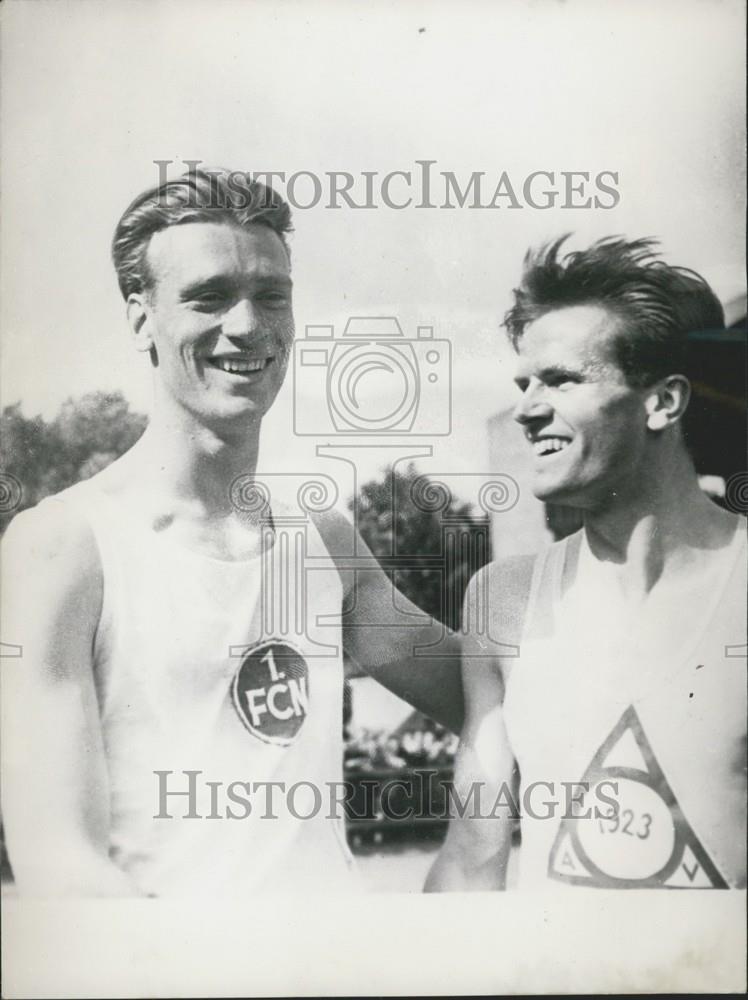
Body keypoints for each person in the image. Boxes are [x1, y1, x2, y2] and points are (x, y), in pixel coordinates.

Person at [1, 168, 463, 897]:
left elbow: (491, 692)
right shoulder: (62, 546)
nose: (247, 325)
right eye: (209, 297)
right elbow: (59, 858)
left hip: (336, 967)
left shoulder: (322, 537)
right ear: (140, 318)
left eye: (271, 295)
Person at [426, 236, 746, 891]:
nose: (526, 410)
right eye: (524, 384)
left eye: (563, 380)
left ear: (663, 401)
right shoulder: (504, 599)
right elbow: (472, 857)